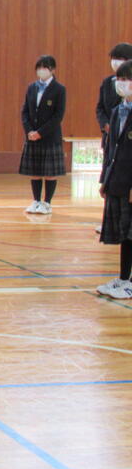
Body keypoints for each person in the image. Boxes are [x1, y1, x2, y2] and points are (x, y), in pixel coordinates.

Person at [97, 60, 132, 299]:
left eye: (127, 79)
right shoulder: (118, 110)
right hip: (118, 181)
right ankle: (123, 278)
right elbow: (111, 150)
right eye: (119, 79)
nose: (121, 84)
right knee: (125, 235)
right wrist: (105, 180)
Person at [19, 55, 66, 215]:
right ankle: (36, 201)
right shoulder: (32, 87)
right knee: (35, 171)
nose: (41, 70)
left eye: (45, 67)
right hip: (32, 137)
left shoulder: (59, 89)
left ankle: (47, 203)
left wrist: (40, 132)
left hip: (50, 137)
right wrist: (29, 131)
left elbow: (58, 116)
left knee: (49, 173)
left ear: (53, 70)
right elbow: (25, 111)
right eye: (39, 67)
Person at [95, 44, 132, 233]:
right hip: (112, 140)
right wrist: (105, 124)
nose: (116, 62)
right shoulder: (108, 83)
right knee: (110, 177)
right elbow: (100, 108)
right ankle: (108, 219)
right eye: (114, 58)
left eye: (122, 58)